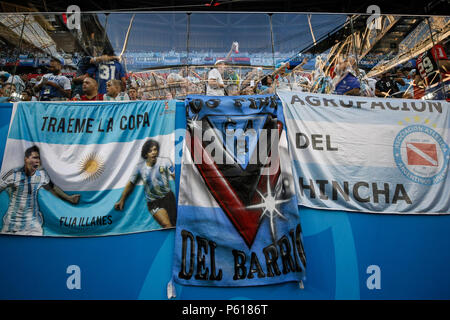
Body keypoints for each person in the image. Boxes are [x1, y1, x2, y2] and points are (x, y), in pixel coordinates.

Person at [0, 146, 80, 236]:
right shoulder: (13, 175)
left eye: (38, 158)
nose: (37, 161)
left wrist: (69, 198)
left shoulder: (41, 174)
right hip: (12, 224)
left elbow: (52, 188)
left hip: (33, 225)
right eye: (34, 157)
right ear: (26, 159)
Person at [114, 139, 177, 228]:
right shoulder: (139, 168)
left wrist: (183, 192)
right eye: (150, 151)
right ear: (145, 154)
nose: (153, 152)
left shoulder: (166, 161)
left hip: (168, 198)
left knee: (175, 225)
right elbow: (131, 184)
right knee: (167, 225)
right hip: (153, 202)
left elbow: (175, 176)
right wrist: (122, 200)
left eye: (155, 149)